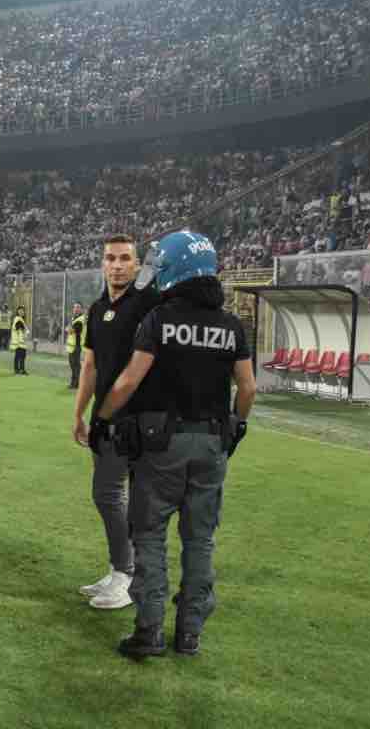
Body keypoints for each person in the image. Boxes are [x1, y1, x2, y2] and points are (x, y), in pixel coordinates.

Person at [92, 230, 256, 658]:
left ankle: (149, 632)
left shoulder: (159, 319)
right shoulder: (231, 325)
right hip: (212, 443)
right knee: (200, 540)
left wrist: (104, 417)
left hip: (162, 443)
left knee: (149, 535)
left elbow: (130, 379)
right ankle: (190, 633)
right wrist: (237, 426)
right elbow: (248, 388)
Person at [73, 234, 161, 610]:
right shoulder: (96, 310)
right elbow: (89, 366)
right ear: (103, 264)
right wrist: (79, 412)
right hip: (105, 418)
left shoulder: (148, 305)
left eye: (126, 258)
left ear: (138, 265)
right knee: (108, 495)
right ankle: (120, 569)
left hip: (140, 420)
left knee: (127, 498)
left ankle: (128, 576)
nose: (118, 264)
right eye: (111, 258)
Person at [66, 303, 86, 389]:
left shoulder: (80, 320)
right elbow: (69, 329)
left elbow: (71, 330)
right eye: (74, 307)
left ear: (81, 309)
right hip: (72, 346)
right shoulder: (74, 318)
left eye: (78, 307)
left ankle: (77, 384)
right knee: (73, 365)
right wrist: (68, 329)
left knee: (75, 366)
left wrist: (68, 329)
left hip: (76, 346)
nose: (76, 309)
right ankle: (74, 383)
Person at [10, 307, 30, 375]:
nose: (21, 312)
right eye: (20, 311)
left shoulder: (21, 319)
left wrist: (26, 330)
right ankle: (17, 370)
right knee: (18, 356)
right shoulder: (17, 318)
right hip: (18, 341)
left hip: (22, 341)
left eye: (23, 311)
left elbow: (22, 328)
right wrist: (26, 330)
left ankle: (22, 369)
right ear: (17, 312)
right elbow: (18, 326)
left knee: (22, 356)